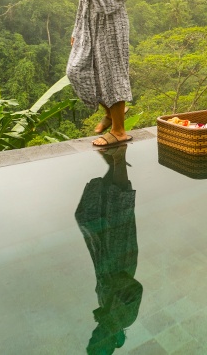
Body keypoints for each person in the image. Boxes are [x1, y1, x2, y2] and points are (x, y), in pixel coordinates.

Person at [63, 0, 133, 147]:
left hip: (111, 22)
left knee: (111, 74)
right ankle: (111, 112)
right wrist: (76, 30)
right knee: (77, 70)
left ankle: (119, 130)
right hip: (89, 22)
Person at [75, 145, 142, 354]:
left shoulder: (105, 314)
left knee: (88, 214)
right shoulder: (124, 319)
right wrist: (115, 282)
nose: (94, 334)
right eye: (97, 340)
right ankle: (119, 158)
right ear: (109, 340)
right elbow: (136, 289)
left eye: (92, 338)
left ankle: (114, 162)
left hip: (106, 258)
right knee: (118, 205)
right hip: (120, 258)